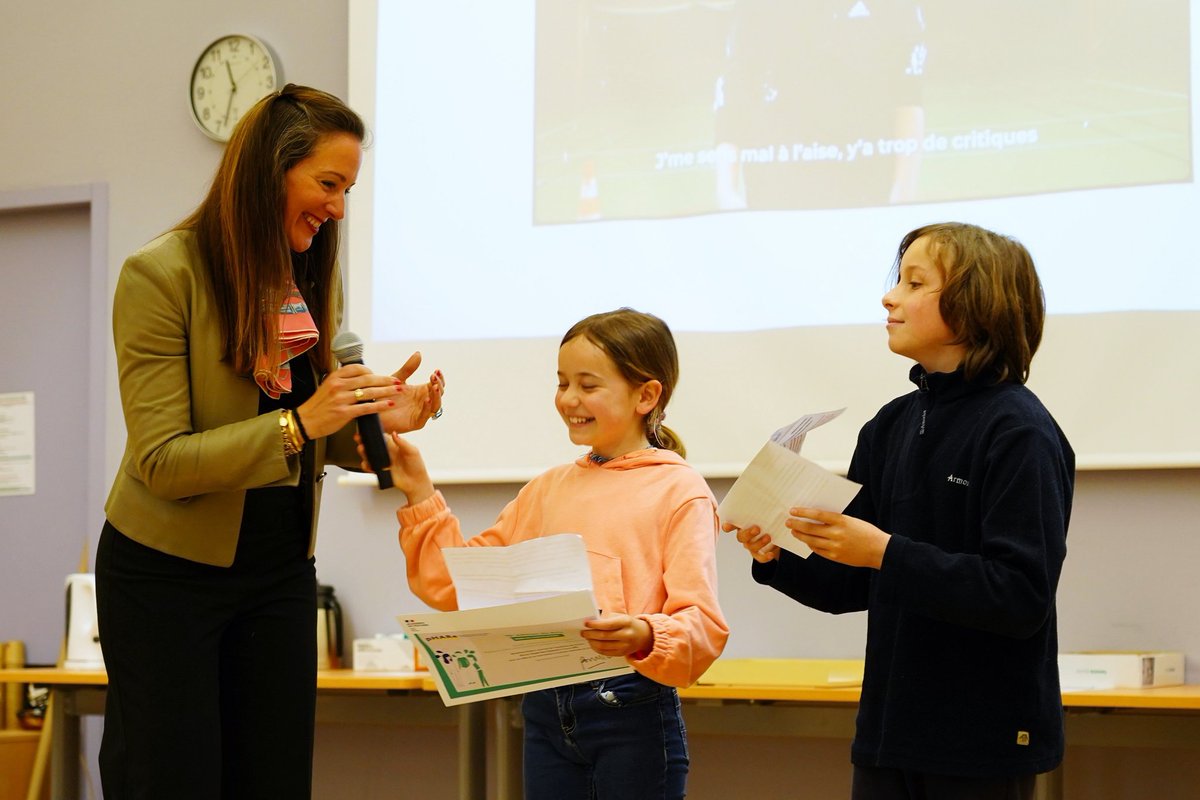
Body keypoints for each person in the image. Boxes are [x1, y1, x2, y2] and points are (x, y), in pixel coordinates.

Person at [95, 84, 445, 800]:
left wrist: (374, 424)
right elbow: (162, 461)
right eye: (327, 184)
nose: (339, 208)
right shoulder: (161, 275)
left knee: (275, 780)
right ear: (268, 173)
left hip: (279, 572)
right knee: (174, 781)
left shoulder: (307, 275)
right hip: (167, 578)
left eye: (347, 189)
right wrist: (303, 423)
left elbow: (304, 436)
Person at [727, 222, 1074, 800]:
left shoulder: (1020, 431)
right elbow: (852, 585)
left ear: (975, 305)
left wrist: (884, 551)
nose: (889, 297)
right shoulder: (889, 425)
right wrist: (777, 556)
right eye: (898, 280)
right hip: (890, 733)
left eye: (915, 283)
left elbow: (1020, 595)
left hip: (979, 743)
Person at [372, 308, 729, 800]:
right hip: (543, 712)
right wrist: (417, 489)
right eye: (562, 383)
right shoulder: (546, 489)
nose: (568, 400)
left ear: (646, 396)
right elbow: (454, 584)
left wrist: (645, 632)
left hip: (631, 711)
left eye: (588, 385)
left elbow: (702, 624)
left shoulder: (680, 489)